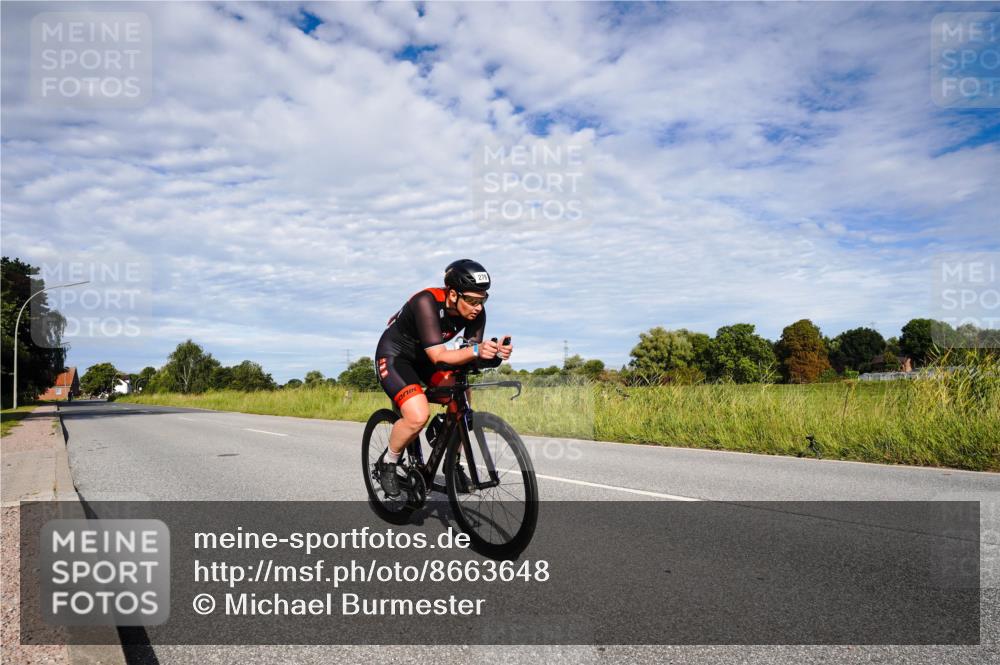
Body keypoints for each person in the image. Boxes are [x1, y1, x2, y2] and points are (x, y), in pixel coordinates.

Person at [373, 259, 513, 497]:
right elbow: (440, 356)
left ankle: (452, 461)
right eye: (471, 300)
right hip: (396, 357)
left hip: (426, 357)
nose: (478, 307)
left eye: (483, 300)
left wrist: (493, 354)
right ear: (451, 294)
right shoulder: (425, 301)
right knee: (417, 416)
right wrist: (477, 350)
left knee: (463, 396)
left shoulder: (476, 311)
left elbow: (469, 354)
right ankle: (388, 462)